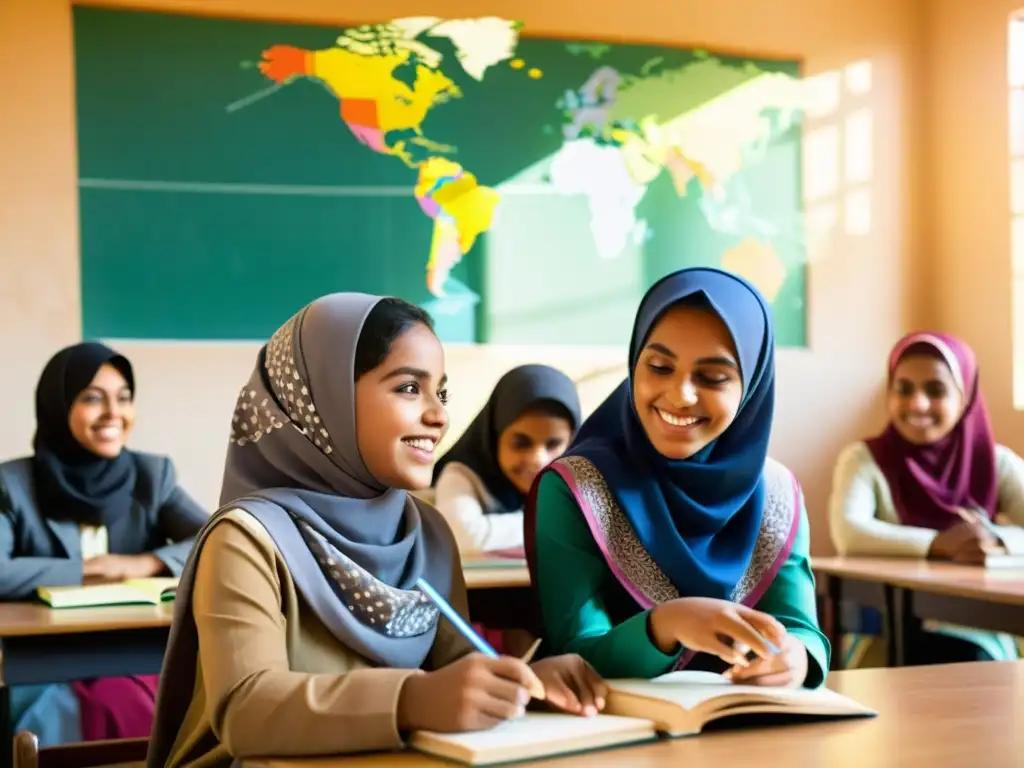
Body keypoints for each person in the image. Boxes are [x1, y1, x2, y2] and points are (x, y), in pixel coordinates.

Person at [147, 294, 606, 767]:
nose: (439, 415)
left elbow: (456, 676)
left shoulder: (427, 531)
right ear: (326, 395)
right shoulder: (247, 538)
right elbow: (246, 711)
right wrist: (411, 700)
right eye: (410, 388)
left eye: (441, 393)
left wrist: (525, 682)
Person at [526, 268, 830, 687]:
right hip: (615, 735)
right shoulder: (576, 486)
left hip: (748, 729)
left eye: (713, 377)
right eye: (659, 366)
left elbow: (799, 628)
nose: (680, 395)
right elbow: (574, 652)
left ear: (753, 385)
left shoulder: (776, 492)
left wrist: (796, 657)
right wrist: (665, 626)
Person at [0, 342, 208, 745]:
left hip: (139, 653)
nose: (114, 413)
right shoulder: (13, 484)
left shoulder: (152, 475)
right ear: (58, 407)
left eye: (124, 398)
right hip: (46, 661)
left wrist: (143, 563)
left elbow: (214, 534)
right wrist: (89, 569)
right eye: (93, 398)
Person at [829, 331, 1024, 664]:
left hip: (977, 629)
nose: (917, 404)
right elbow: (849, 532)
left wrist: (993, 539)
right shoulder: (864, 459)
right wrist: (938, 543)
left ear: (965, 398)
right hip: (887, 629)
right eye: (903, 389)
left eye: (935, 391)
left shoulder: (995, 462)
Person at [432, 364, 581, 555]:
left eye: (553, 444)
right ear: (494, 437)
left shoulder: (578, 475)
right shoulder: (460, 475)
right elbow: (462, 536)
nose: (538, 460)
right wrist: (555, 520)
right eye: (520, 443)